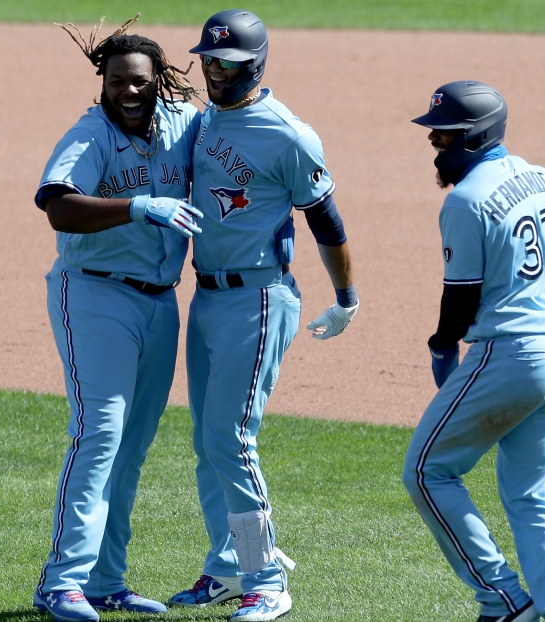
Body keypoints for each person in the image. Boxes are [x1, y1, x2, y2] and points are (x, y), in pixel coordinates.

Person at [166, 9, 359, 622]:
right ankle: (226, 566)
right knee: (207, 439)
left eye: (228, 63)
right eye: (208, 60)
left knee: (232, 437)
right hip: (207, 296)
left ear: (256, 65)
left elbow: (327, 221)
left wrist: (347, 297)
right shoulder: (204, 121)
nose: (215, 71)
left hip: (258, 296)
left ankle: (266, 577)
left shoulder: (289, 134)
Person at [402, 81, 545, 622]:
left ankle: (504, 599)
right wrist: (527, 272)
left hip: (511, 357)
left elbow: (459, 298)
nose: (435, 144)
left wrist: (442, 347)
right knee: (530, 495)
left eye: (442, 136)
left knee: (426, 472)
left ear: (473, 137)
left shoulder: (465, 201)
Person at [31, 17, 204, 622]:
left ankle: (105, 581)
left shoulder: (184, 125)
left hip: (160, 301)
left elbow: (233, 138)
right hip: (95, 297)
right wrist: (136, 207)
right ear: (102, 81)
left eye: (140, 81)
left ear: (160, 81)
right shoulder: (90, 133)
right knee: (99, 432)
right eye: (117, 81)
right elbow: (58, 206)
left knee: (130, 447)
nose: (128, 91)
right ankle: (61, 581)